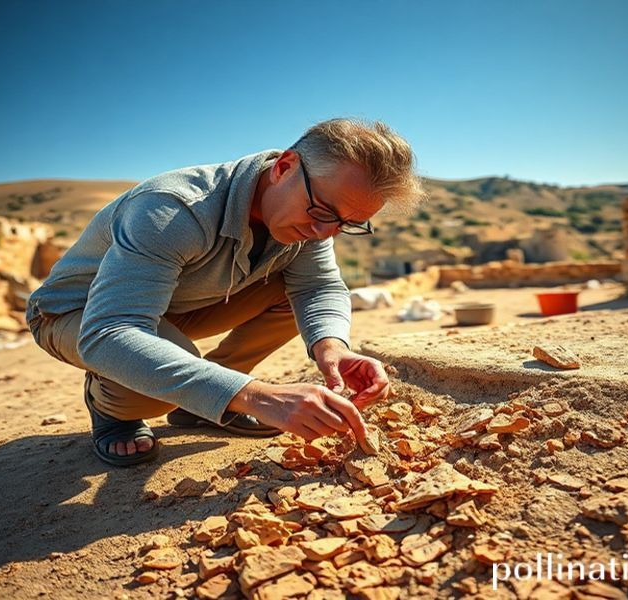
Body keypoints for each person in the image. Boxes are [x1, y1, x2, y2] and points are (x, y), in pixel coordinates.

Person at [26, 118, 425, 467]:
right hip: (81, 315)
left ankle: (205, 406)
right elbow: (110, 332)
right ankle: (111, 407)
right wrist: (257, 397)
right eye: (321, 212)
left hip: (175, 306)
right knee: (151, 393)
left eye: (346, 223)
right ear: (284, 167)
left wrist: (333, 346)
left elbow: (318, 286)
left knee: (293, 296)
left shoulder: (314, 216)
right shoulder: (172, 210)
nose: (324, 232)